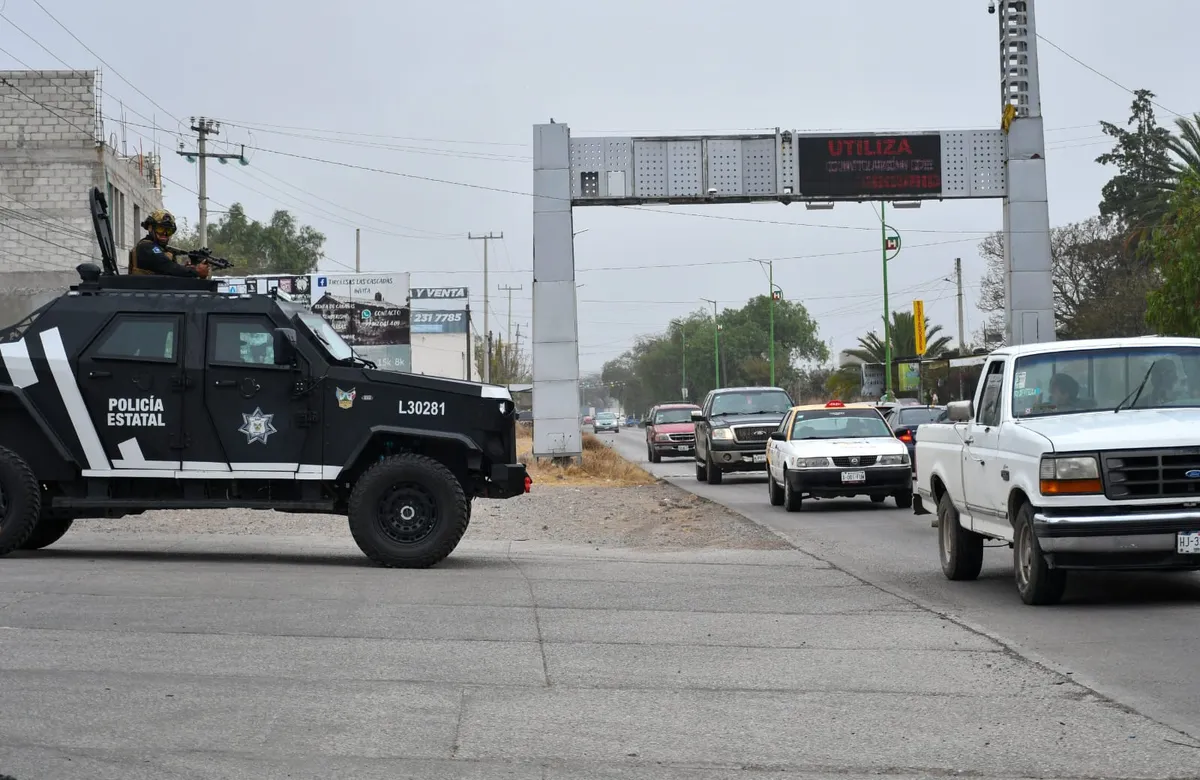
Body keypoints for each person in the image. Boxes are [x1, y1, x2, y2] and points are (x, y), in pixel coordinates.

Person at [129, 209, 210, 278]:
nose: (165, 234)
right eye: (161, 229)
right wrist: (196, 271)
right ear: (150, 228)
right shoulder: (146, 247)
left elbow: (169, 270)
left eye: (169, 231)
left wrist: (188, 268)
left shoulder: (161, 249)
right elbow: (168, 267)